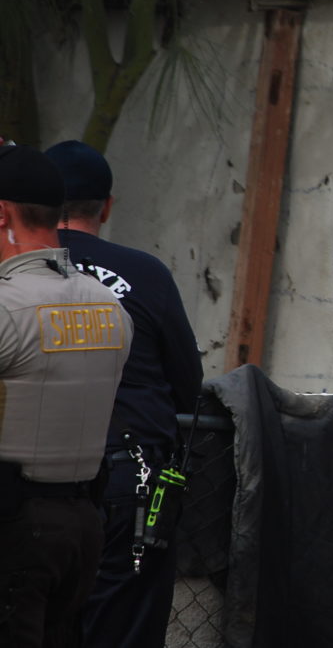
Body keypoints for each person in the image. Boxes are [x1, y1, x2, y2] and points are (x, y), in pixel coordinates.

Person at [44, 140, 203, 648]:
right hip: (130, 475)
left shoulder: (16, 272)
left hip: (34, 478)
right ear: (107, 206)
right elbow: (188, 383)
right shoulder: (147, 274)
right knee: (123, 625)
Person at [0, 145, 132, 647]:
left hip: (14, 530)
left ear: (1, 213)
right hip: (82, 526)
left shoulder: (8, 307)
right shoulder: (109, 306)